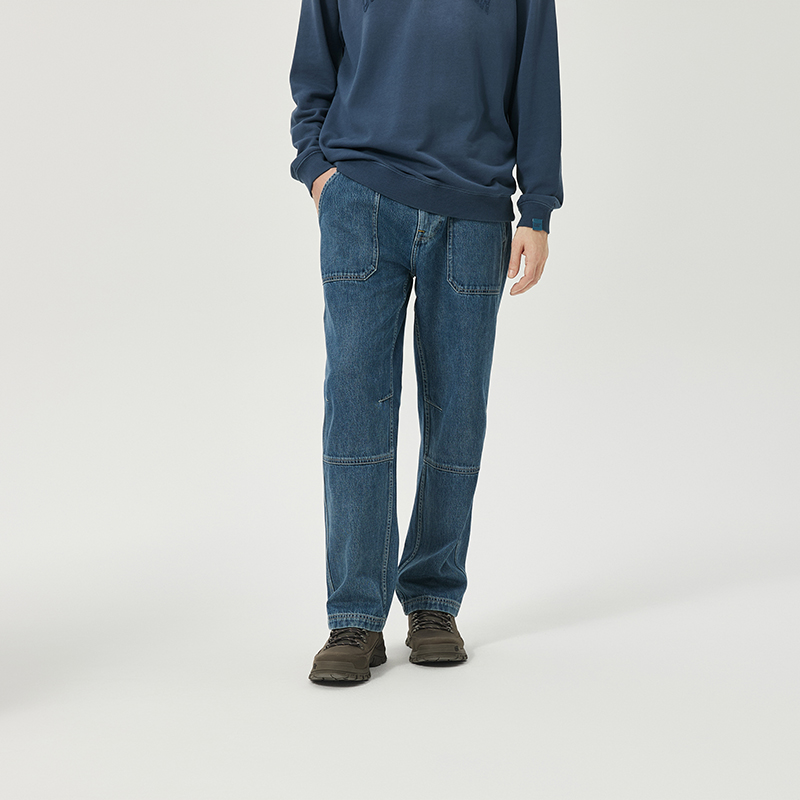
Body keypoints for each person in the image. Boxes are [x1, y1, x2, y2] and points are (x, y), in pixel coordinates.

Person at [289, 0, 563, 682]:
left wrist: (538, 207)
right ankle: (355, 616)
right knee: (356, 408)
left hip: (474, 213)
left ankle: (434, 601)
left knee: (457, 411)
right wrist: (317, 169)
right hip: (359, 197)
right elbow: (314, 67)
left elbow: (537, 78)